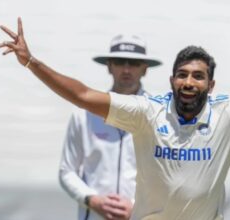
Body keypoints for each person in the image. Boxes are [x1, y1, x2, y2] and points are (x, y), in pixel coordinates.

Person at [0, 16, 230, 220]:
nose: (189, 82)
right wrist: (32, 62)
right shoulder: (145, 111)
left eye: (198, 76)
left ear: (211, 83)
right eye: (183, 75)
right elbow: (81, 94)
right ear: (171, 79)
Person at [58, 34, 161, 220]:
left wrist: (138, 208)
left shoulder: (159, 115)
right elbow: (67, 171)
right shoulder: (84, 113)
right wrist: (92, 200)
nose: (127, 69)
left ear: (145, 69)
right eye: (120, 61)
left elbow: (169, 177)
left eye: (134, 63)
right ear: (109, 66)